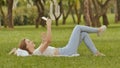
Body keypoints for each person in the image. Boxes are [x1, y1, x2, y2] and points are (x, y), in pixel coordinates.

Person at [9, 18, 106, 57]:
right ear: (27, 47)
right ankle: (98, 30)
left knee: (83, 34)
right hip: (67, 51)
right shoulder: (36, 52)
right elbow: (49, 41)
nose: (31, 41)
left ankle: (96, 53)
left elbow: (46, 42)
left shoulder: (37, 51)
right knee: (77, 27)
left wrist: (44, 40)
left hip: (66, 49)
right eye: (29, 41)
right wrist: (49, 26)